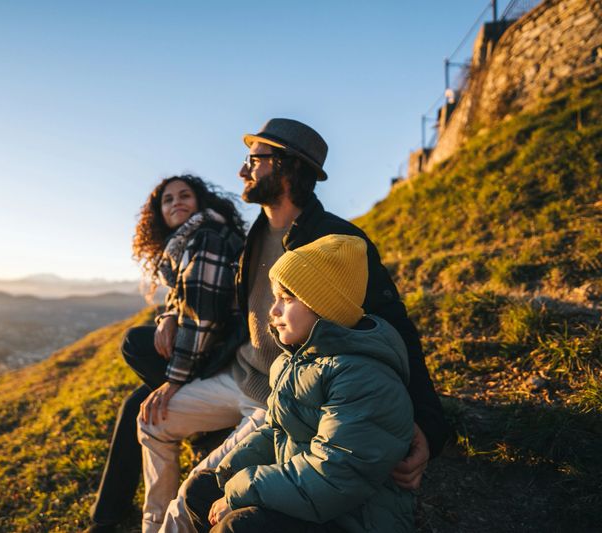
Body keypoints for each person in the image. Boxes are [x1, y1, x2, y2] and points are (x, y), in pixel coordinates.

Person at [138, 119, 449, 533]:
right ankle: (149, 520)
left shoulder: (336, 241)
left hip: (279, 395)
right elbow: (222, 305)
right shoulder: (256, 233)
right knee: (150, 420)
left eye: (254, 159)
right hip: (239, 373)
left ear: (286, 167)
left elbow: (392, 330)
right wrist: (174, 325)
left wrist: (428, 426)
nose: (242, 171)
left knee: (188, 507)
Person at [185, 234, 415, 532]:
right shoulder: (294, 360)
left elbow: (334, 474)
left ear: (324, 306)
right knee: (201, 490)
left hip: (353, 517)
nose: (273, 310)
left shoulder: (363, 377)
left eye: (287, 298)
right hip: (304, 492)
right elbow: (276, 430)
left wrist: (240, 490)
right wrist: (229, 474)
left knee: (241, 526)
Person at [84, 175, 247, 533]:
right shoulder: (185, 243)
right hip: (212, 354)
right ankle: (107, 518)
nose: (176, 203)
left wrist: (173, 383)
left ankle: (114, 519)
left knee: (135, 343)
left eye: (185, 195)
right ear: (159, 214)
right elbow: (186, 304)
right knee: (136, 405)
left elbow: (204, 318)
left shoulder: (207, 237)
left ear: (200, 202)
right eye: (168, 199)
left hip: (226, 359)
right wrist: (169, 315)